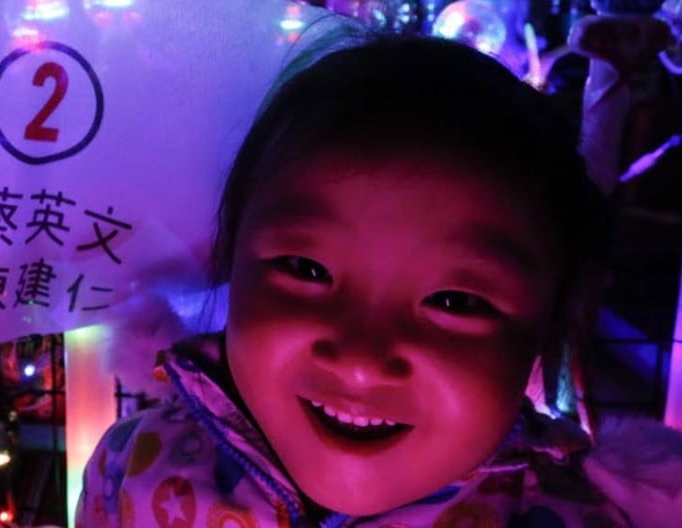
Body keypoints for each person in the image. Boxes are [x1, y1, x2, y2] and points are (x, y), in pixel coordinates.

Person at [76, 35, 682, 527]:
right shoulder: (133, 467)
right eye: (306, 270)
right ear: (229, 261)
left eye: (454, 301)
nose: (362, 360)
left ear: (550, 325)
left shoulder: (589, 518)